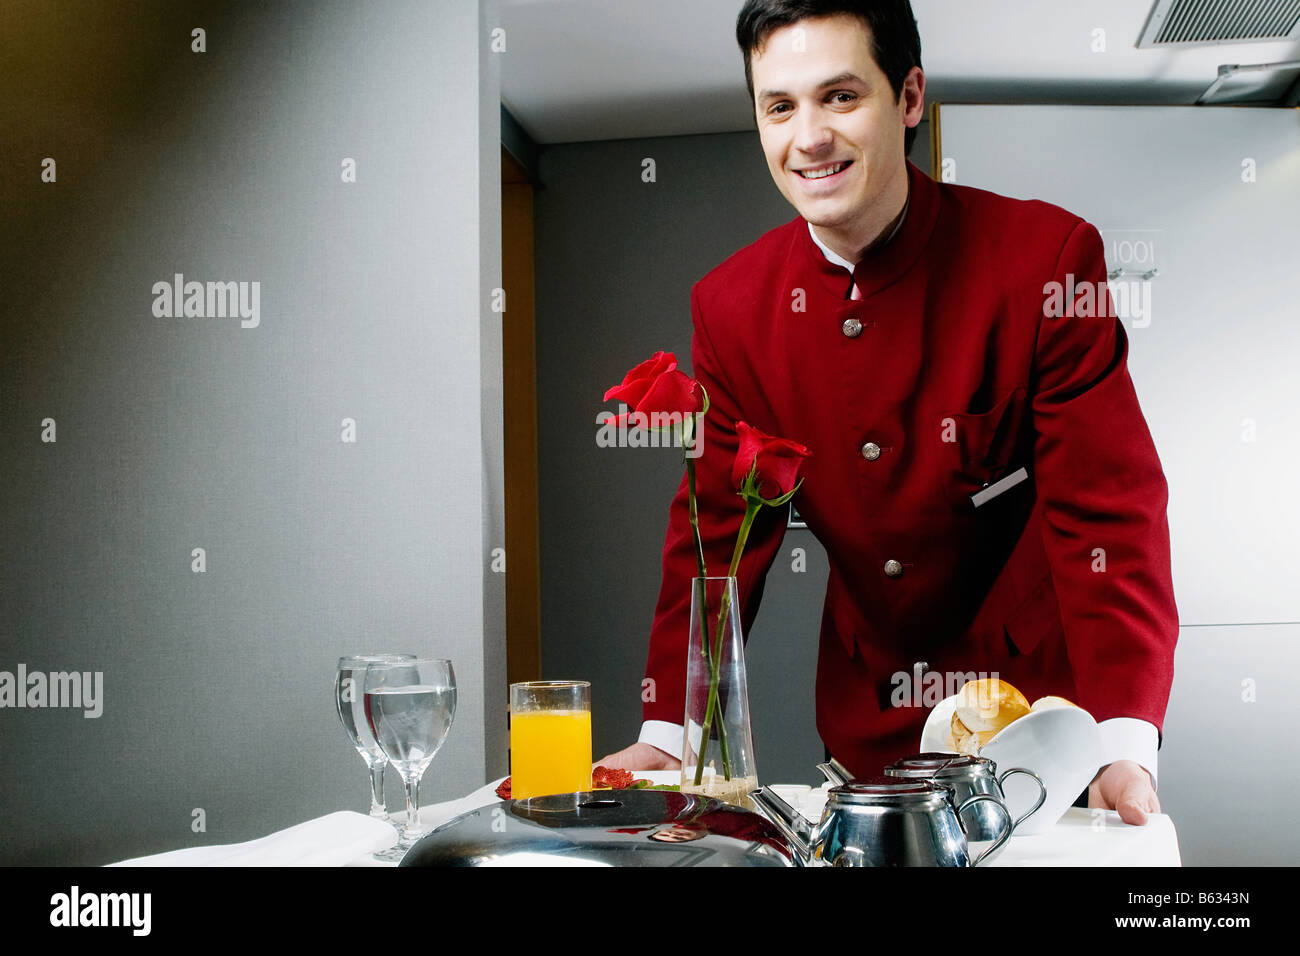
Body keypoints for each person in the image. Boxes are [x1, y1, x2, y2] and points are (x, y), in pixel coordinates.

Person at [599, 0, 1177, 826]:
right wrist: (671, 726)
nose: (809, 138)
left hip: (1045, 730)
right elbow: (715, 539)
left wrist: (1124, 738)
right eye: (779, 106)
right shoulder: (729, 307)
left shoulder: (1045, 261)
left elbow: (1108, 516)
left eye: (840, 97)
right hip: (868, 730)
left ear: (908, 98)